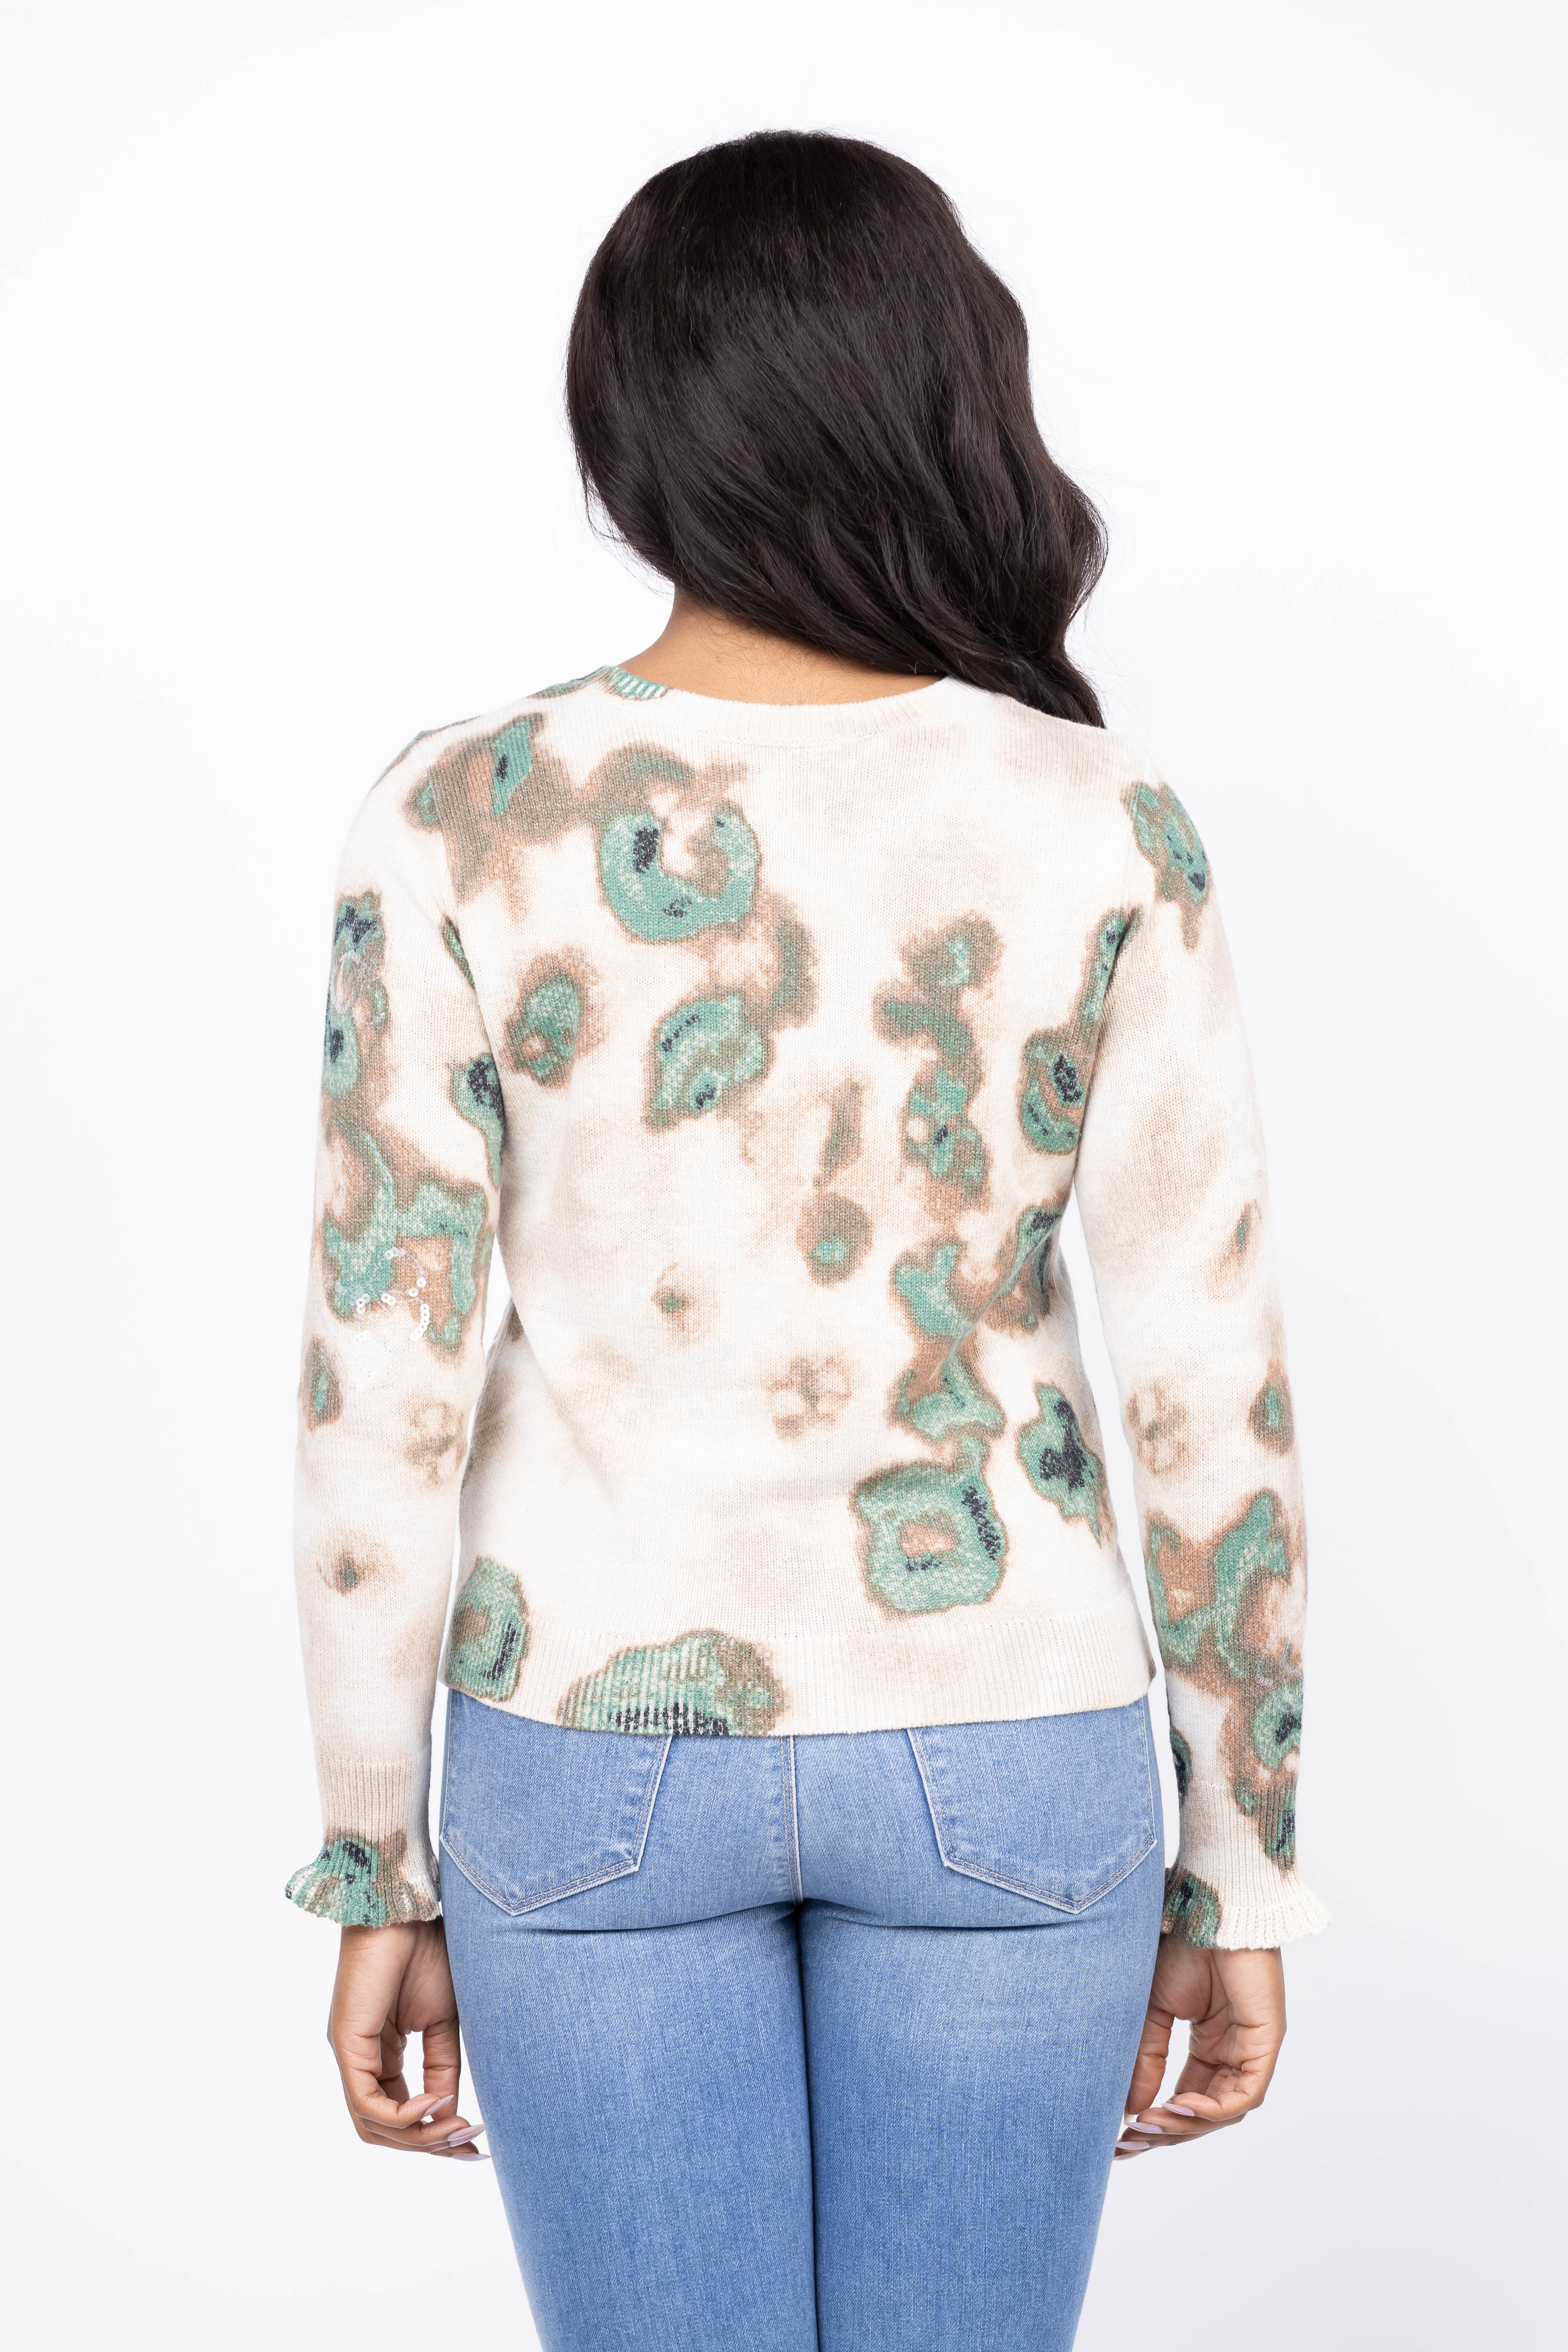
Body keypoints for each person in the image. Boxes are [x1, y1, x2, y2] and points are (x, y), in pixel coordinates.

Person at [286, 128, 1326, 2352]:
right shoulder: (1099, 815)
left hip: (588, 1747)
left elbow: (383, 1379)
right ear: (950, 398)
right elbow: (1202, 1371)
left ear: (627, 426)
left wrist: (374, 1850)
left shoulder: (461, 815)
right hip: (1010, 1731)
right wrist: (1242, 1854)